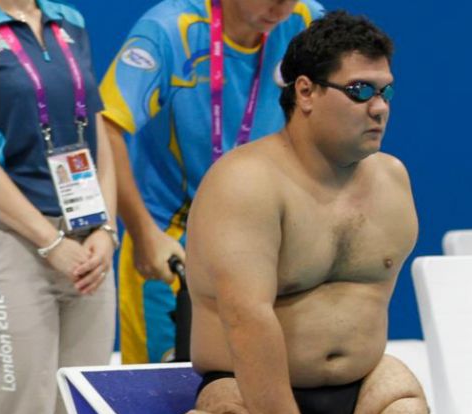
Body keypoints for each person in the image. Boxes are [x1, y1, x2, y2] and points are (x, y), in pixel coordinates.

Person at [168, 11, 472, 414]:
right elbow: (246, 317)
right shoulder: (246, 183)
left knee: (397, 384)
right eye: (360, 90)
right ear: (305, 92)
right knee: (233, 412)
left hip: (359, 394)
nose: (379, 107)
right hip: (250, 391)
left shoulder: (392, 180)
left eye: (386, 91)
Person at [99, 0, 325, 363]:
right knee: (161, 405)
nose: (282, 6)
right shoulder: (171, 30)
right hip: (172, 247)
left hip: (263, 245)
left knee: (257, 395)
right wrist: (142, 233)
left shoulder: (307, 21)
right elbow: (106, 126)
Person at [0, 1, 118, 414]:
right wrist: (50, 243)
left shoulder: (70, 21)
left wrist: (106, 231)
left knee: (79, 413)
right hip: (16, 242)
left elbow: (98, 132)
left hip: (87, 241)